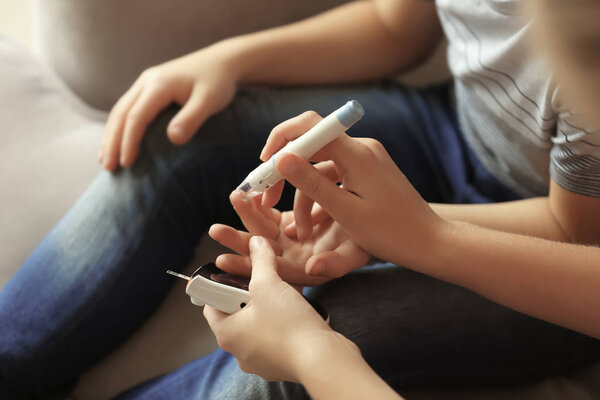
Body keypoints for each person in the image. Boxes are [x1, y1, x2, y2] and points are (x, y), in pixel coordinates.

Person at [1, 0, 600, 398]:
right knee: (195, 128)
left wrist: (403, 233)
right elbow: (394, 25)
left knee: (346, 326)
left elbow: (575, 230)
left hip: (557, 255)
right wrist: (231, 60)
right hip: (447, 129)